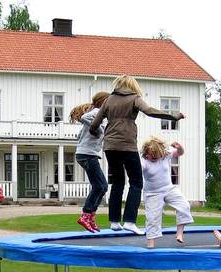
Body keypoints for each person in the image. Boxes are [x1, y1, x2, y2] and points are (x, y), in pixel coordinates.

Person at [90, 75, 185, 234]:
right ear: (132, 86)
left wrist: (98, 134)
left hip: (110, 147)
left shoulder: (109, 100)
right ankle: (129, 221)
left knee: (117, 182)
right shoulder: (134, 98)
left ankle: (114, 221)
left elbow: (94, 124)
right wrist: (173, 117)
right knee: (136, 182)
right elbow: (150, 111)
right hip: (127, 145)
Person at [140, 137, 193, 248]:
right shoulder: (144, 162)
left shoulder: (165, 155)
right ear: (146, 153)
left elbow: (180, 153)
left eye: (156, 156)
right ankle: (150, 245)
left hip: (169, 189)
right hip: (152, 193)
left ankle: (179, 234)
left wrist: (180, 147)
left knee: (184, 205)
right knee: (152, 218)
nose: (154, 158)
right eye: (151, 156)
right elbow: (137, 170)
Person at [71, 91, 110, 233]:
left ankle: (90, 216)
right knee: (99, 186)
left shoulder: (102, 116)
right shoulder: (97, 112)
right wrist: (99, 130)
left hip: (86, 154)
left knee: (103, 186)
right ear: (103, 102)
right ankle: (86, 215)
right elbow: (84, 117)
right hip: (87, 155)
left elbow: (79, 135)